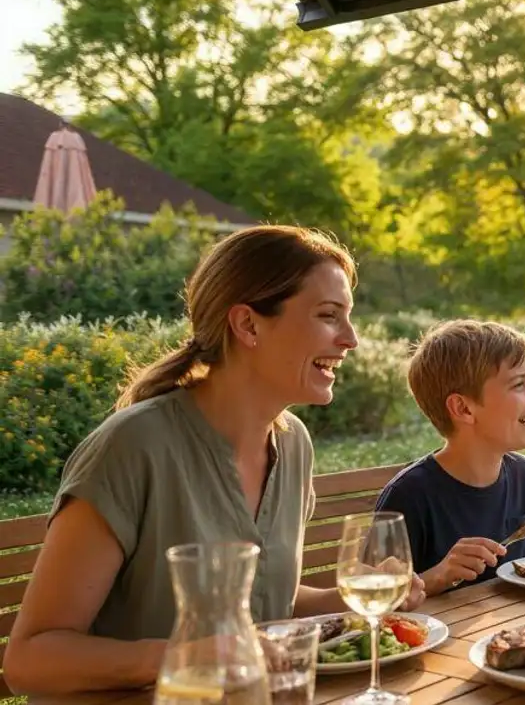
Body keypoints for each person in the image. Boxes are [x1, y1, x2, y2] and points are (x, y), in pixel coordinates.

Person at [6, 225, 425, 696]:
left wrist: (351, 602)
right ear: (247, 325)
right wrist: (184, 655)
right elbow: (29, 660)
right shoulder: (133, 446)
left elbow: (265, 603)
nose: (351, 339)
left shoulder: (292, 445)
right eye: (329, 316)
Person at [375, 319, 525, 594]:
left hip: (515, 629)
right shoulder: (409, 496)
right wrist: (438, 576)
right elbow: (375, 598)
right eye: (519, 384)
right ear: (464, 409)